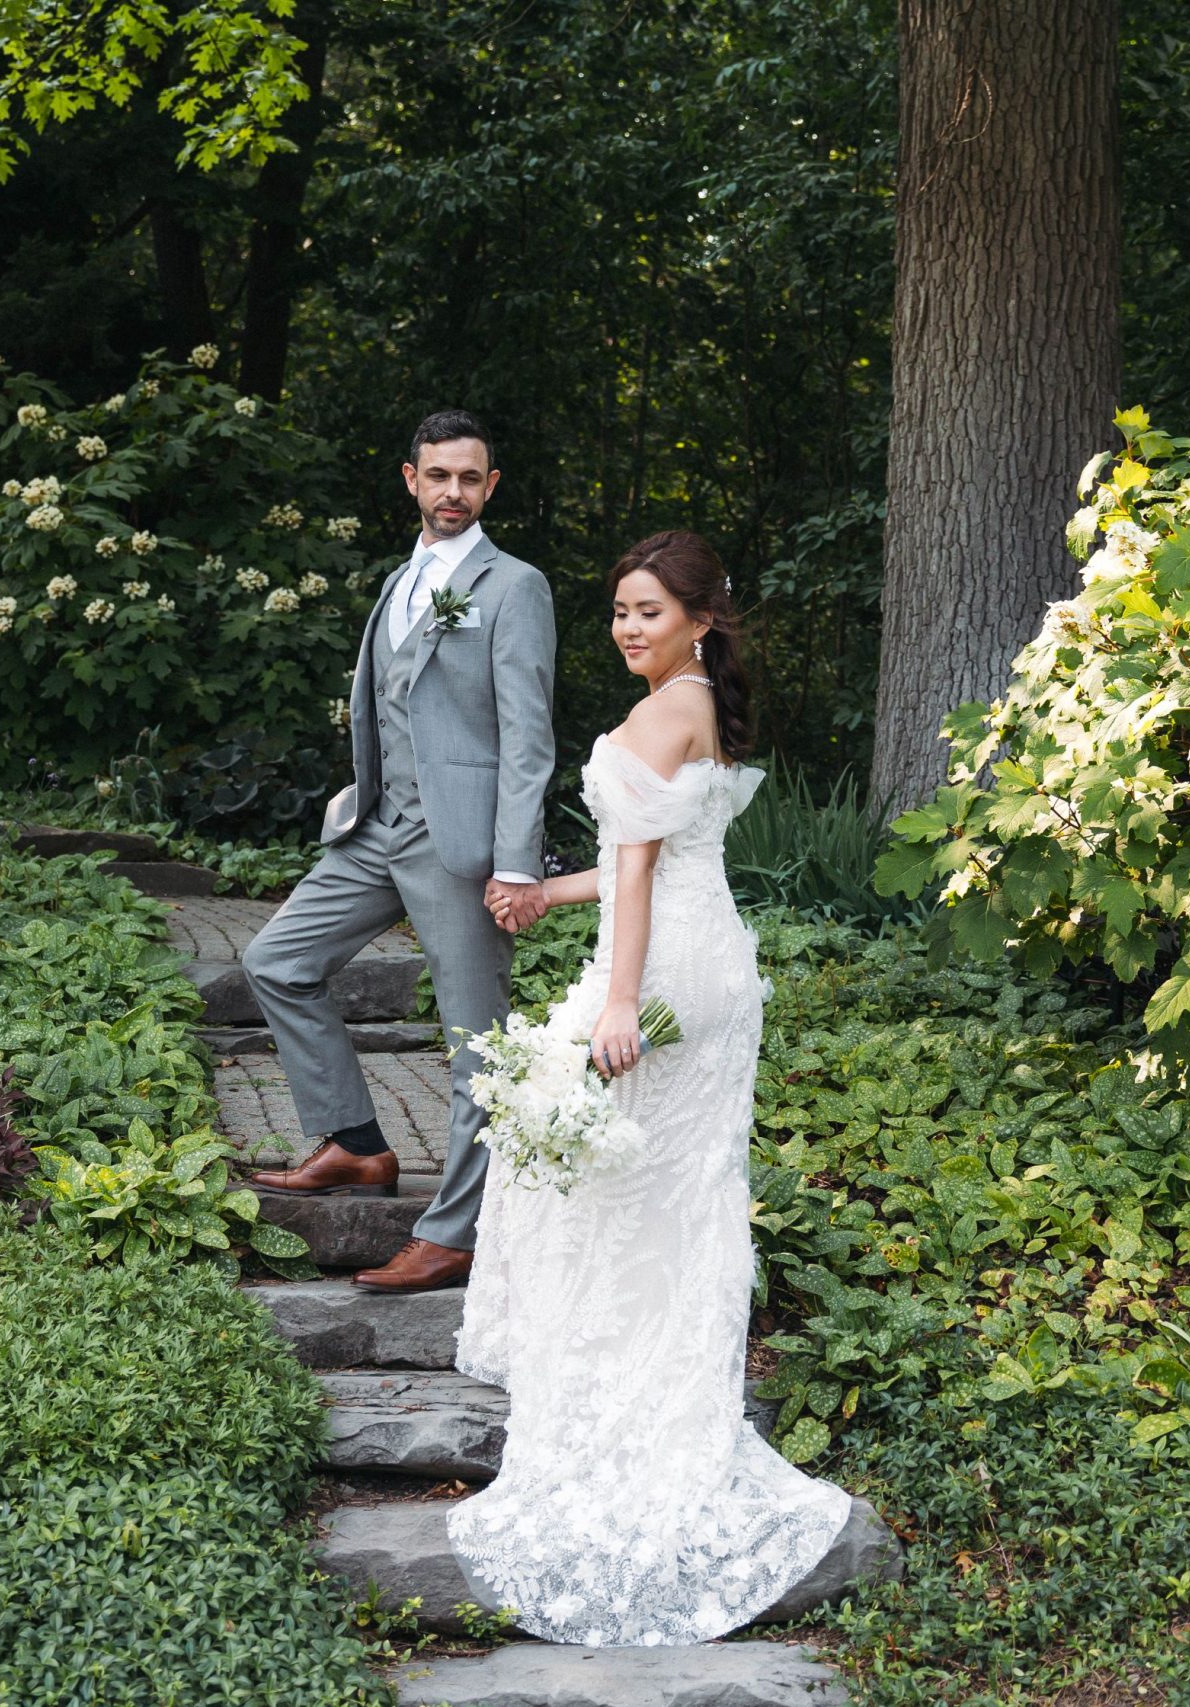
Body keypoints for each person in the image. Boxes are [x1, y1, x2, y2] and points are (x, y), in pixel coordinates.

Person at [451, 529, 849, 1645]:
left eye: (647, 612)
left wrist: (614, 1002)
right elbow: (652, 857)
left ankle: (612, 1402)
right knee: (669, 1187)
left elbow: (635, 869)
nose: (628, 628)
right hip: (714, 961)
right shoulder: (699, 706)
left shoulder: (658, 713)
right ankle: (655, 1380)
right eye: (619, 610)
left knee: (599, 1180)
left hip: (663, 975)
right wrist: (548, 898)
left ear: (699, 617)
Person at [241, 410, 557, 1293]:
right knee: (276, 960)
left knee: (475, 1046)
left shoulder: (514, 586)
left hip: (459, 845)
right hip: (377, 829)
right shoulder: (400, 580)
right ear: (409, 480)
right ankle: (355, 1141)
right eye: (437, 475)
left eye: (470, 477)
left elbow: (530, 737)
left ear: (490, 487)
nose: (452, 491)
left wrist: (516, 860)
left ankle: (454, 1230)